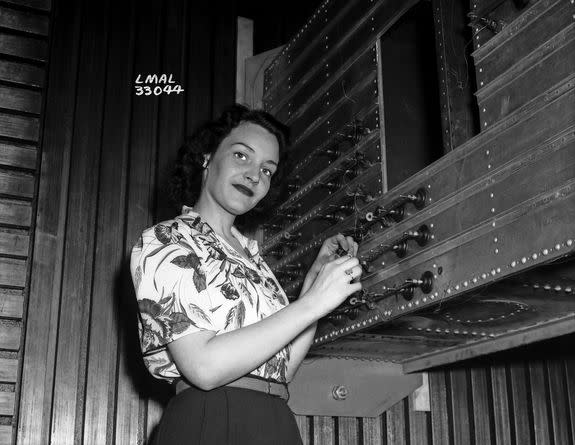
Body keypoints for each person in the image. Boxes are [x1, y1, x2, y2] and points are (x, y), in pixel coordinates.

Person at [130, 104, 362, 444]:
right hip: (212, 418)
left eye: (268, 170)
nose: (256, 175)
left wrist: (315, 282)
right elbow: (204, 368)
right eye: (242, 156)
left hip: (275, 417)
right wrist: (312, 303)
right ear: (207, 158)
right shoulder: (166, 240)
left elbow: (283, 368)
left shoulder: (251, 257)